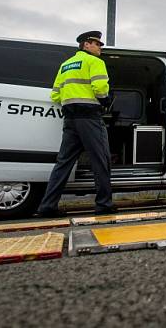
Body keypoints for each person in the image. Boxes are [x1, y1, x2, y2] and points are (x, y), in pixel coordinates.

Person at [36, 31, 117, 217]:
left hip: (70, 119)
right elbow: (100, 88)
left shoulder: (65, 65)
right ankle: (104, 204)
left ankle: (47, 206)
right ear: (86, 45)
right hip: (89, 117)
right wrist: (105, 101)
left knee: (63, 163)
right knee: (101, 160)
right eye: (97, 44)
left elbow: (55, 94)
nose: (100, 47)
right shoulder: (95, 62)